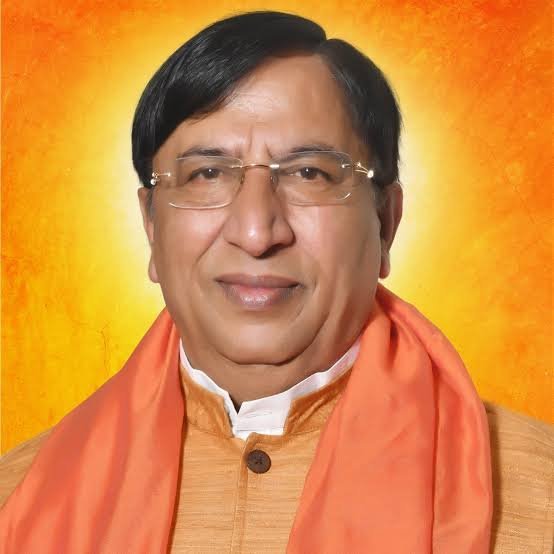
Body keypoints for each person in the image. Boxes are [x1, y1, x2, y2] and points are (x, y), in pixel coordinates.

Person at [0, 10, 552, 553]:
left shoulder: (538, 496)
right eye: (207, 174)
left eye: (309, 173)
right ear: (151, 226)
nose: (256, 232)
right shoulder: (19, 500)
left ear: (385, 222)